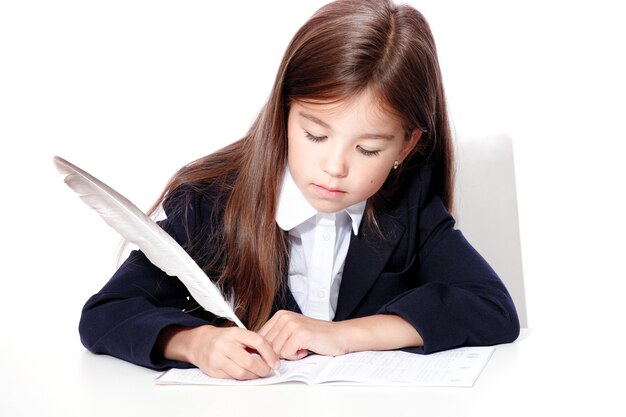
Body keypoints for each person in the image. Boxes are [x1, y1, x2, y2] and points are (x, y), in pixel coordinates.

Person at [79, 0, 520, 380]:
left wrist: (343, 335)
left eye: (367, 149)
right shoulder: (211, 202)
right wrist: (196, 343)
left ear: (407, 145)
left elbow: (492, 309)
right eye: (315, 136)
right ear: (284, 114)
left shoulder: (410, 204)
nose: (334, 166)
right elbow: (107, 313)